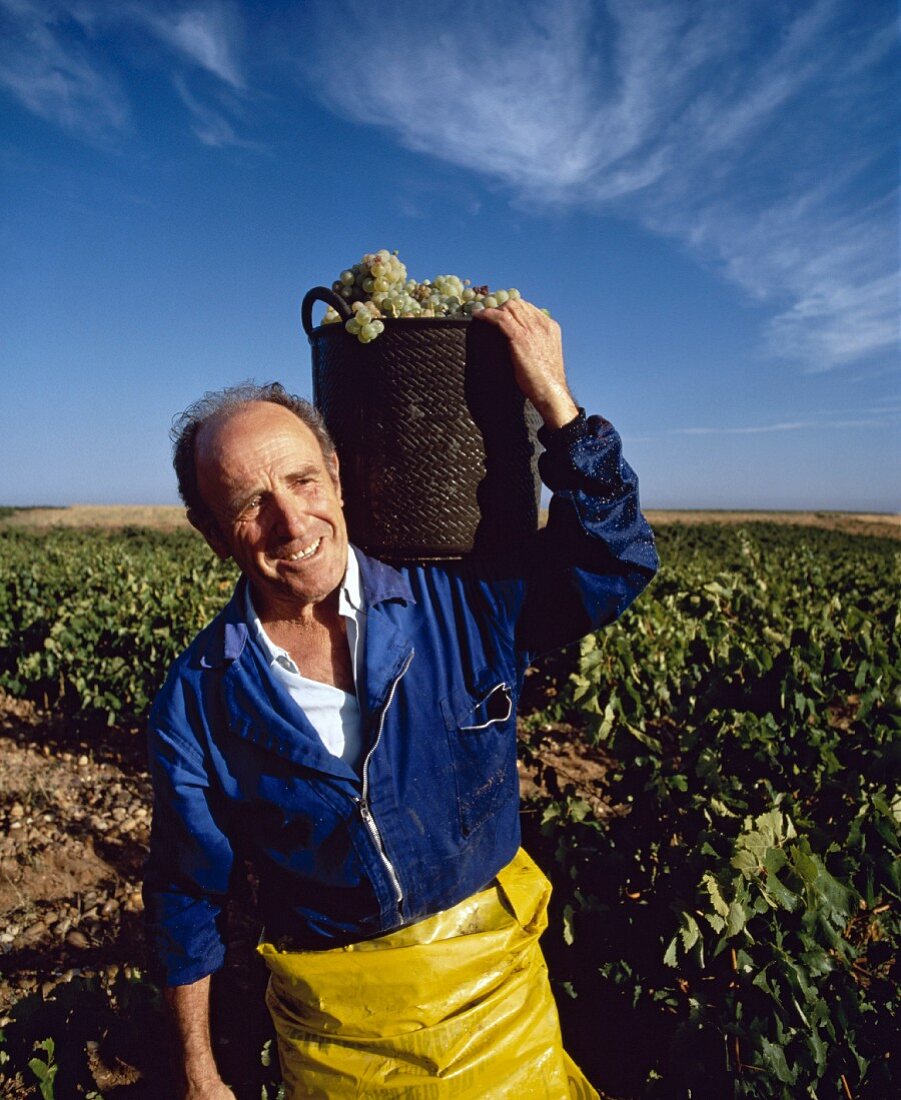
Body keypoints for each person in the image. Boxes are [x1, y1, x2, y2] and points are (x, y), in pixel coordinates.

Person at [143, 299, 659, 1099]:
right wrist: (200, 1074)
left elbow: (612, 563)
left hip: (496, 1008)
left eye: (303, 480)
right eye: (249, 504)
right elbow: (186, 892)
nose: (290, 521)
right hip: (335, 1038)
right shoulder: (200, 698)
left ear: (338, 478)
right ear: (212, 532)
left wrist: (556, 403)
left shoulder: (458, 601)